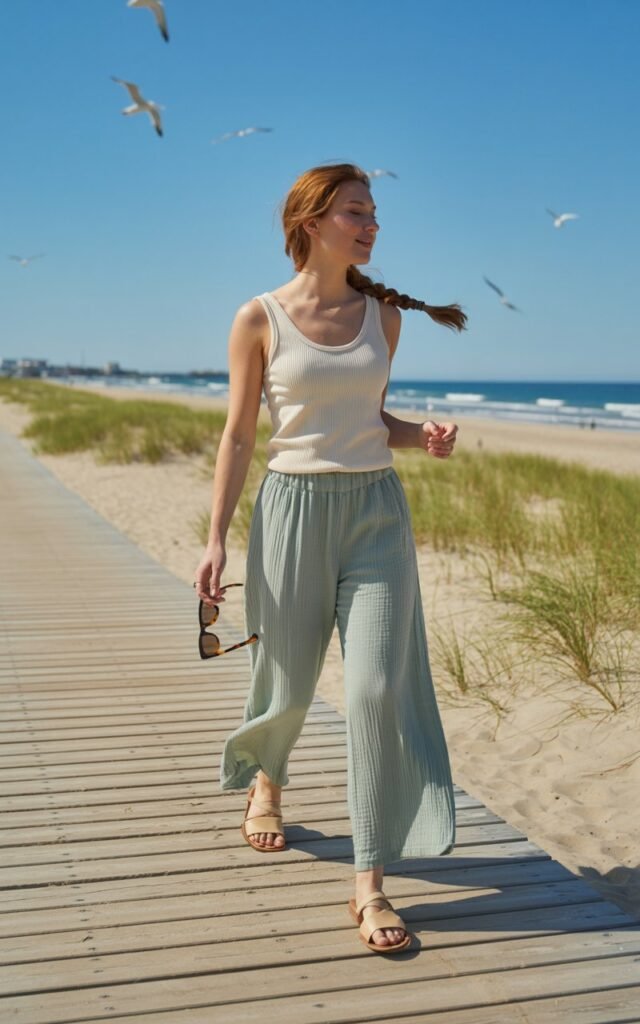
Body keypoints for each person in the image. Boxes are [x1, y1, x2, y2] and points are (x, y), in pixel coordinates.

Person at [194, 162, 467, 954]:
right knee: (285, 674)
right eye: (357, 210)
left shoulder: (384, 315)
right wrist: (214, 537)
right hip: (292, 511)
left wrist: (424, 438)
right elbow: (241, 434)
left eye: (376, 212)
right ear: (312, 220)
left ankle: (369, 880)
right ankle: (266, 788)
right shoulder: (259, 318)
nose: (373, 224)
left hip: (377, 512)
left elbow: (370, 419)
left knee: (377, 688)